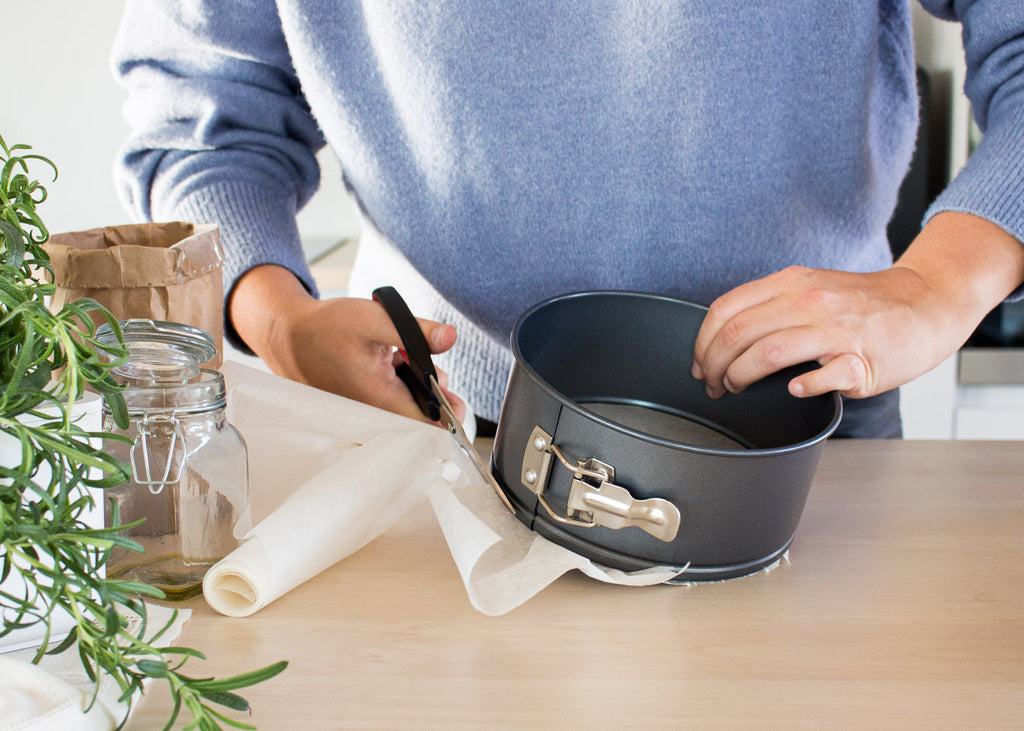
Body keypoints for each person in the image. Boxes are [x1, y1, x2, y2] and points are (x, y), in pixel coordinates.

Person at [111, 2, 1024, 439]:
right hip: (433, 431)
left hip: (811, 440)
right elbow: (205, 112)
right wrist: (281, 325)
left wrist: (933, 285)